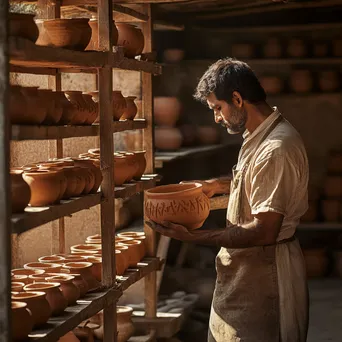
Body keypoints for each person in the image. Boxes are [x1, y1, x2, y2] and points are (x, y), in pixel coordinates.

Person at [146, 58, 309, 342]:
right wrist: (215, 186)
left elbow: (264, 230)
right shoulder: (260, 135)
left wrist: (193, 236)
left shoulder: (276, 148)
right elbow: (256, 180)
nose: (216, 119)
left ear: (237, 98)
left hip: (265, 273)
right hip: (248, 271)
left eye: (217, 109)